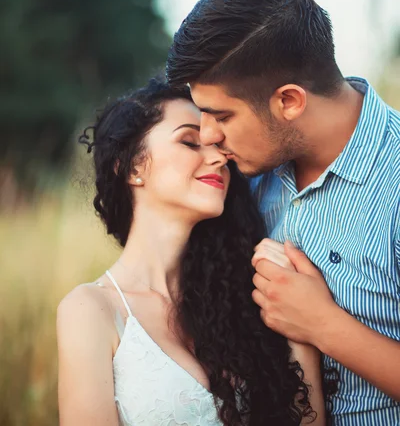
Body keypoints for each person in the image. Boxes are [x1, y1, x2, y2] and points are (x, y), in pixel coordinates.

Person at [166, 0, 400, 426]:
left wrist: (324, 326)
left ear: (289, 101)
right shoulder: (239, 173)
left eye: (222, 116)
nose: (209, 135)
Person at [56, 78, 325, 426]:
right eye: (189, 142)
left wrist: (304, 334)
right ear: (134, 167)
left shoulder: (240, 297)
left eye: (218, 147)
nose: (218, 158)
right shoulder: (90, 309)